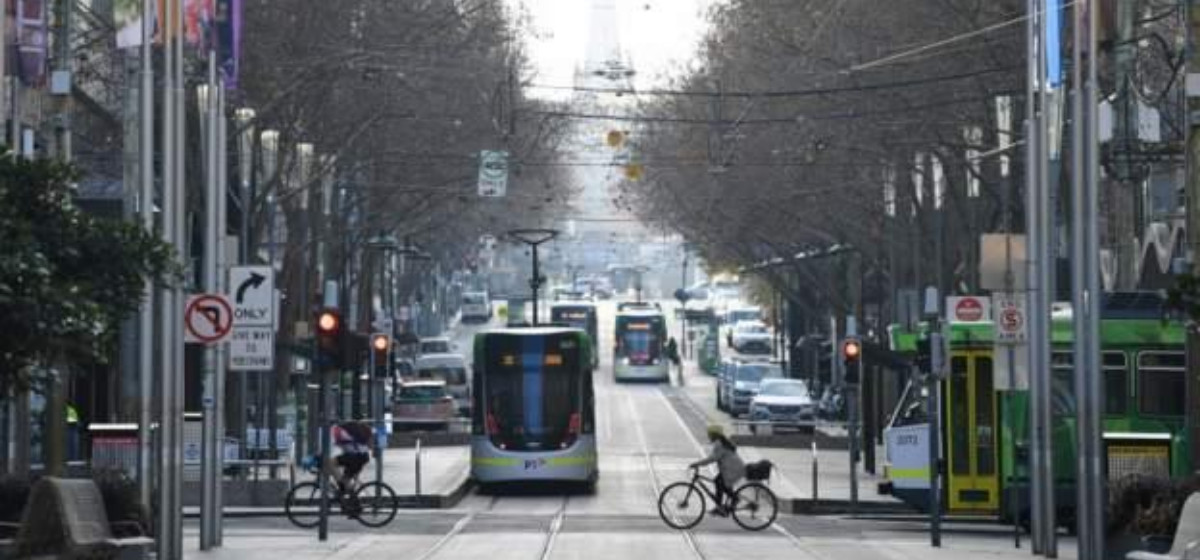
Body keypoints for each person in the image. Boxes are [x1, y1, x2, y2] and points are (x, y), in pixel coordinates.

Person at [689, 425, 745, 516]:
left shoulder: (719, 444)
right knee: (719, 482)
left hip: (732, 470)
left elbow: (712, 458)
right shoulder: (721, 442)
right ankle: (722, 506)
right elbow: (713, 458)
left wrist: (697, 463)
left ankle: (731, 501)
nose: (709, 436)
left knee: (719, 483)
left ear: (714, 435)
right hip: (731, 469)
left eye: (710, 434)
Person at [332, 420, 372, 492]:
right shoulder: (343, 431)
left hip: (355, 457)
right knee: (345, 480)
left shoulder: (337, 431)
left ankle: (344, 486)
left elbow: (328, 446)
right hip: (362, 456)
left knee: (329, 462)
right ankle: (347, 492)